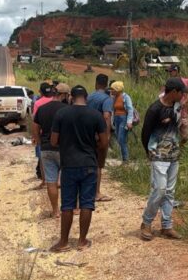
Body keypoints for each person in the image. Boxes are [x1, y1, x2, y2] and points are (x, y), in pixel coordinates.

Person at [50, 85, 109, 252]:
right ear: (86, 97)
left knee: (67, 205)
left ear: (71, 97)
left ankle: (63, 242)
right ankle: (82, 241)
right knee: (86, 204)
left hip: (69, 164)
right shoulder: (95, 115)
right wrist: (92, 145)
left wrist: (67, 142)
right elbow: (104, 143)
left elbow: (54, 141)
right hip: (89, 164)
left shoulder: (62, 114)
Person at [140, 77, 188, 241]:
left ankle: (166, 226)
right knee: (159, 190)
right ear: (174, 92)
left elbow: (181, 128)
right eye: (181, 92)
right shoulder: (155, 109)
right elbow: (145, 133)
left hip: (174, 154)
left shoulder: (177, 107)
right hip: (158, 154)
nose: (183, 95)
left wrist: (184, 131)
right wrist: (149, 152)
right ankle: (146, 222)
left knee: (169, 192)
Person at [33, 83, 70, 218]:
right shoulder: (66, 109)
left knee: (51, 181)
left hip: (46, 149)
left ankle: (55, 211)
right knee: (67, 180)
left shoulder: (41, 109)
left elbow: (35, 128)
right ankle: (69, 208)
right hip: (64, 149)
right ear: (64, 95)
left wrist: (40, 142)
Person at [87, 74, 114, 202]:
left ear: (96, 83)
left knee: (88, 163)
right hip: (99, 135)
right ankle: (96, 193)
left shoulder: (89, 97)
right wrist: (107, 136)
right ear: (106, 84)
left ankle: (86, 191)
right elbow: (107, 117)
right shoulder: (106, 99)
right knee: (98, 165)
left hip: (87, 134)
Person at [109, 81, 135, 162]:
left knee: (121, 139)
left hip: (123, 119)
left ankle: (126, 159)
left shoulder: (125, 97)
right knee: (119, 138)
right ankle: (123, 158)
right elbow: (113, 109)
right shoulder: (114, 97)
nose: (111, 91)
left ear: (117, 89)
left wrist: (129, 122)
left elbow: (130, 109)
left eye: (112, 89)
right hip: (116, 119)